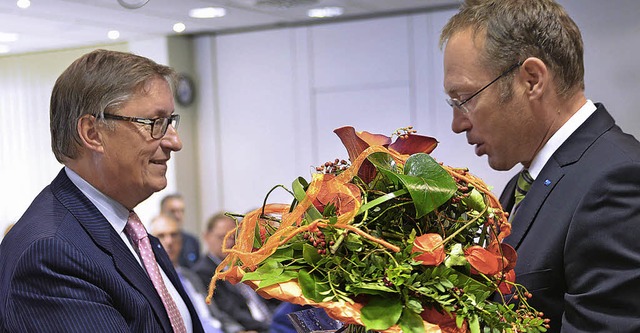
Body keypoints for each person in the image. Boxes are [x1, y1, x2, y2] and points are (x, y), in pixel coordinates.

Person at [440, 1, 640, 332]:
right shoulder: (523, 184)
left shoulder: (617, 183)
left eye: (465, 99)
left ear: (532, 80)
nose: (457, 124)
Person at [0, 49, 204, 332]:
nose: (175, 141)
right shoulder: (52, 253)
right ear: (92, 133)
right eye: (155, 123)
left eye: (170, 121)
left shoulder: (127, 229)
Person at [149, 213, 251, 333]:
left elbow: (214, 315)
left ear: (181, 240)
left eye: (174, 235)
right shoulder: (151, 281)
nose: (169, 241)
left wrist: (237, 330)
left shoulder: (190, 277)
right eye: (161, 236)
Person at [193, 213, 278, 333]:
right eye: (222, 237)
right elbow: (230, 311)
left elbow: (269, 298)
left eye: (234, 237)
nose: (229, 243)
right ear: (206, 237)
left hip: (271, 322)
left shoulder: (245, 263)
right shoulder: (203, 273)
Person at [161, 193, 201, 268]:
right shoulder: (152, 240)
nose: (178, 216)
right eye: (173, 211)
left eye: (181, 211)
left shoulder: (192, 241)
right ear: (162, 212)